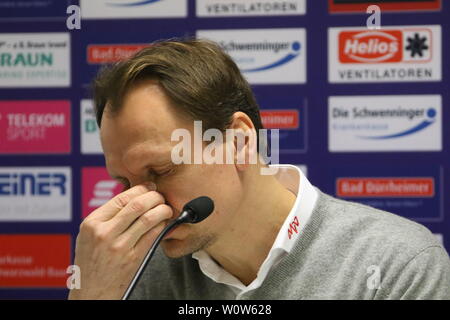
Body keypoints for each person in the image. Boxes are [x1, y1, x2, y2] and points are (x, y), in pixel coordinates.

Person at [68, 39, 450, 300]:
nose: (144, 205)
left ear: (238, 141)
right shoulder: (135, 271)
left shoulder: (397, 264)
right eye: (124, 182)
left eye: (163, 170)